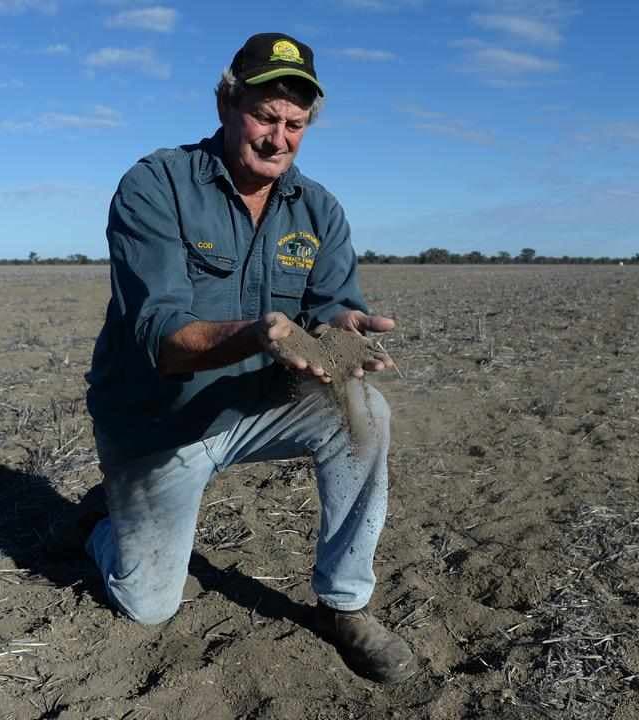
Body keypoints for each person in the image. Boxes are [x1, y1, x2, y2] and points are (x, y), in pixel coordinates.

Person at [78, 32, 415, 684]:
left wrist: (342, 328)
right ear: (227, 103)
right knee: (147, 606)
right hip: (158, 420)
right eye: (265, 116)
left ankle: (345, 604)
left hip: (253, 404)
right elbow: (163, 337)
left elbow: (330, 310)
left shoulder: (317, 209)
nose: (278, 137)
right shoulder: (157, 185)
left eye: (295, 124)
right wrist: (261, 335)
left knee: (362, 408)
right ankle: (102, 523)